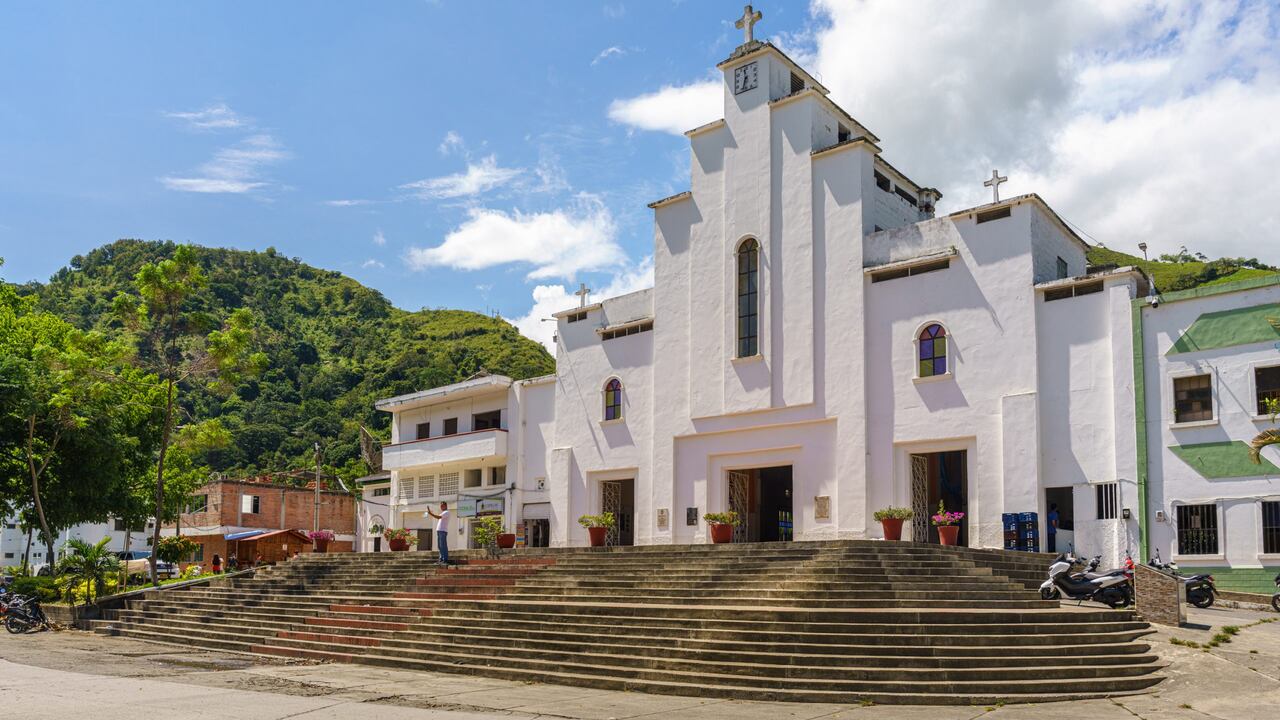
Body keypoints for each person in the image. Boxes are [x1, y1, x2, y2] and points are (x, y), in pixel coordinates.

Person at [425, 501, 452, 566]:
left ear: (445, 506)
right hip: (440, 531)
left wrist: (430, 513)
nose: (441, 507)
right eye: (441, 506)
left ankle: (444, 559)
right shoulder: (443, 513)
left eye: (442, 505)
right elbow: (438, 517)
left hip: (443, 531)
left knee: (443, 546)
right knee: (440, 546)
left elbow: (438, 517)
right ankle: (441, 559)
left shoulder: (446, 512)